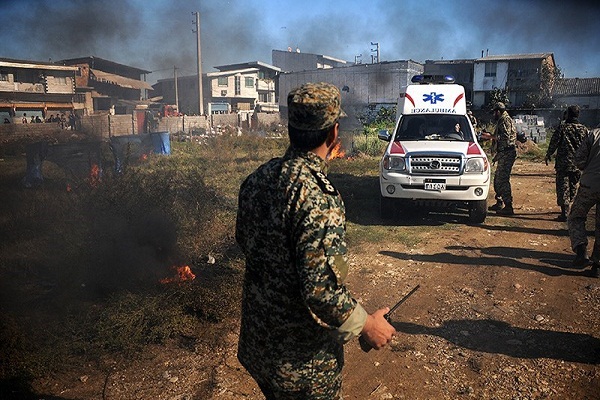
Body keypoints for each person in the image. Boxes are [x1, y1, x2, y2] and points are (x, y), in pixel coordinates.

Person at [235, 82, 395, 398]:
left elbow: (246, 243)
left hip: (260, 347)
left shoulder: (257, 180)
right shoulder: (317, 197)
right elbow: (320, 290)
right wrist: (367, 325)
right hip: (303, 366)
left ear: (291, 128)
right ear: (333, 133)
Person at [545, 105, 589, 221]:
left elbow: (554, 142)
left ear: (568, 114)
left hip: (564, 164)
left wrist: (548, 154)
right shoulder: (584, 129)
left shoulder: (563, 128)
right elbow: (588, 146)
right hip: (578, 165)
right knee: (574, 186)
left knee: (563, 187)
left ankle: (565, 213)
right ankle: (572, 210)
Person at [568, 127, 600, 277]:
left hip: (590, 185)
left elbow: (579, 161)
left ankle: (581, 251)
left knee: (576, 216)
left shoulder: (593, 134)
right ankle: (597, 266)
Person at [480, 102, 517, 216]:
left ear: (498, 111)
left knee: (502, 180)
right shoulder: (504, 119)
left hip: (507, 152)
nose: (493, 115)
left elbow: (505, 137)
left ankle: (508, 206)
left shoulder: (504, 120)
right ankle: (499, 201)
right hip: (504, 153)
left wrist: (490, 137)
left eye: (494, 112)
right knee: (497, 179)